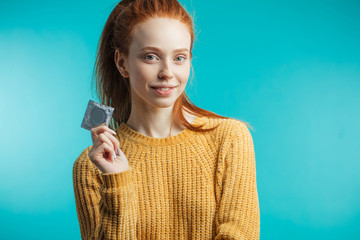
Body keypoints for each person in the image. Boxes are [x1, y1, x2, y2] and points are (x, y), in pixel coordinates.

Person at [72, 0, 260, 239]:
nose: (167, 72)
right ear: (122, 63)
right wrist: (116, 180)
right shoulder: (91, 166)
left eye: (179, 58)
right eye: (151, 57)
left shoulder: (230, 138)